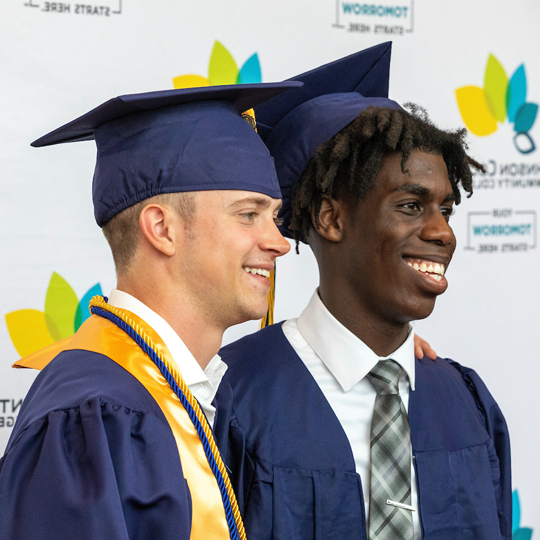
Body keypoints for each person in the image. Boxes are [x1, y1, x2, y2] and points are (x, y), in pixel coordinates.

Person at [219, 43, 512, 540]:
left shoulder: (466, 402)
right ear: (331, 219)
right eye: (411, 206)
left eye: (446, 209)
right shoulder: (232, 397)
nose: (443, 233)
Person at [0, 83, 302, 540]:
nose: (279, 242)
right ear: (162, 229)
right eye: (248, 215)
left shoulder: (185, 396)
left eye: (274, 216)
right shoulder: (94, 415)